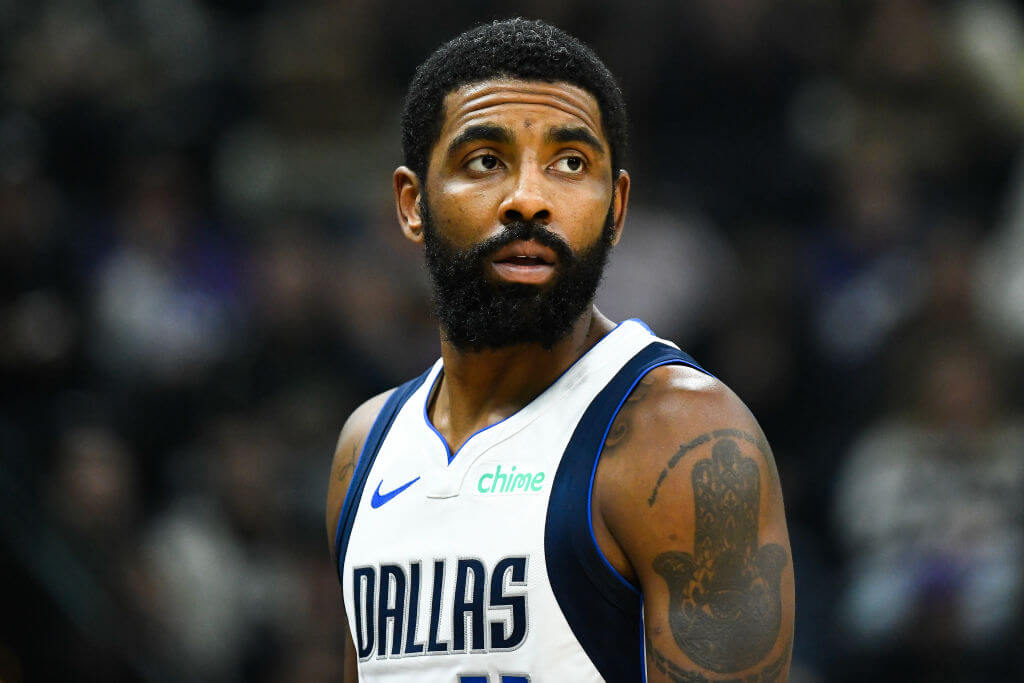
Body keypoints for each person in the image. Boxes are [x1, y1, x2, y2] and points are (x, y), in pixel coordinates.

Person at [326, 18, 794, 683]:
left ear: (617, 208)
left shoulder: (679, 435)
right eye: (485, 161)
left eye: (570, 163)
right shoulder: (364, 447)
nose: (528, 199)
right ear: (412, 205)